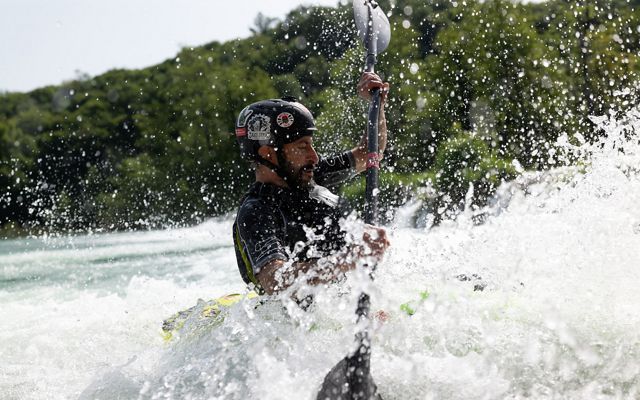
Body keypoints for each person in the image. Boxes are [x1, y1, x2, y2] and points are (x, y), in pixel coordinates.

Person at [232, 72, 391, 297]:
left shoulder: (311, 175)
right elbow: (275, 281)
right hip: (295, 321)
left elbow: (368, 154)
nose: (314, 157)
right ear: (268, 154)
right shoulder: (257, 210)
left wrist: (377, 104)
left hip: (343, 301)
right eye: (302, 146)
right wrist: (348, 260)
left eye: (311, 145)